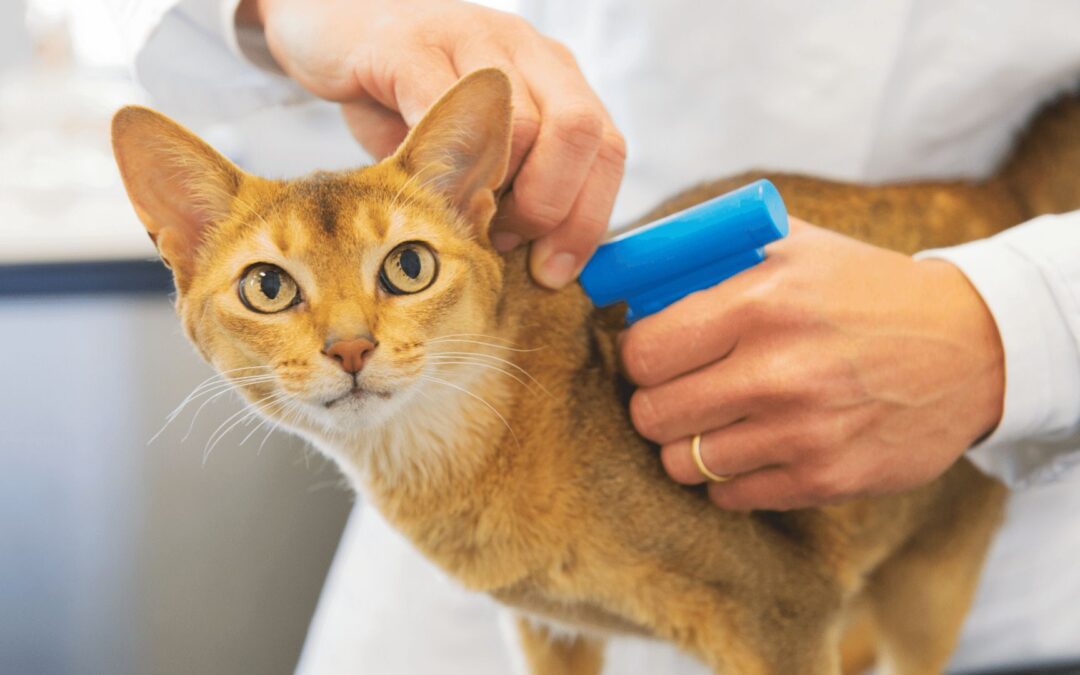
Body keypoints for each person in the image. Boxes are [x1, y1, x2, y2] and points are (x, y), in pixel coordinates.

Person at [106, 0, 1080, 671]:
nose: (347, 343)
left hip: (1010, 441)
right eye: (272, 288)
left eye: (397, 275)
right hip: (534, 295)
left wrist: (1016, 325)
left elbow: (783, 606)